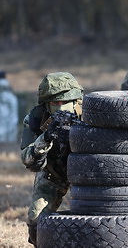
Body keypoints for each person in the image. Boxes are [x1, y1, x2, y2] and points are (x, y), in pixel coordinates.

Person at [20, 72, 83, 246]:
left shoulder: (90, 115)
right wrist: (46, 137)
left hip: (87, 176)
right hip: (53, 174)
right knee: (36, 221)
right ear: (47, 105)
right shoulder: (35, 119)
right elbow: (27, 159)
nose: (61, 107)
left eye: (66, 102)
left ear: (76, 101)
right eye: (56, 103)